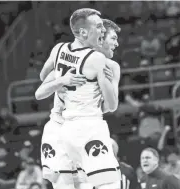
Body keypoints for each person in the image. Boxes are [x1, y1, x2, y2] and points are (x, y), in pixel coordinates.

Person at [36, 8, 120, 189]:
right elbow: (111, 106)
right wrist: (109, 82)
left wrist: (61, 81)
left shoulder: (59, 50)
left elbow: (43, 79)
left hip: (63, 127)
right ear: (84, 32)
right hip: (86, 125)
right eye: (100, 28)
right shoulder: (97, 60)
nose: (103, 32)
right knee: (109, 183)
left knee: (75, 184)